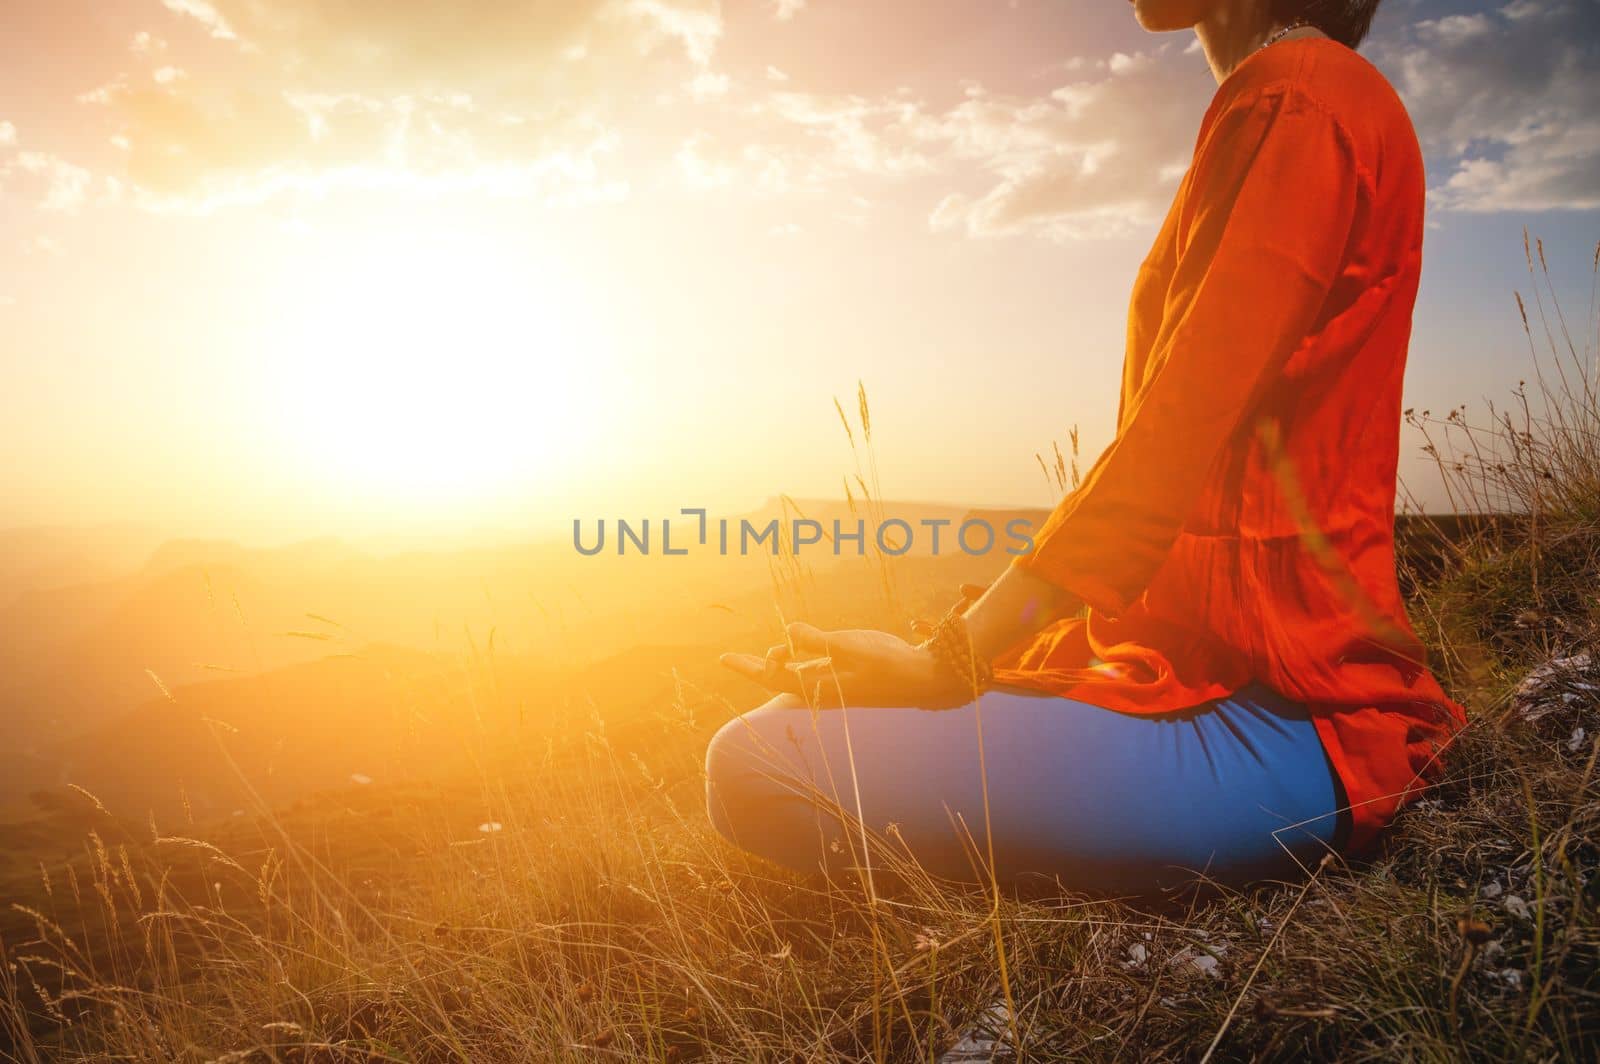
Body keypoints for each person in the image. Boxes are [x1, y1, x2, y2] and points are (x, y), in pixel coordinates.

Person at [706, 0, 1466, 893]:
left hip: (1280, 720)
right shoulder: (1315, 95)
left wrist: (949, 660)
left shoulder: (1295, 96)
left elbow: (1174, 432)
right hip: (1243, 687)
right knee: (798, 723)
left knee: (758, 761)